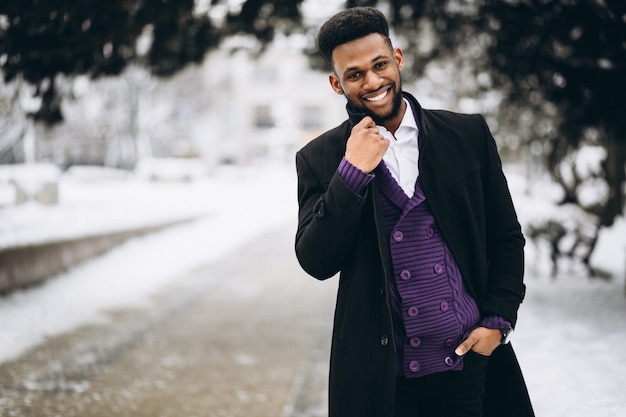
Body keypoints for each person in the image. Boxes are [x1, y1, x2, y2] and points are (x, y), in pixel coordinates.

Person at [294, 6, 534, 417]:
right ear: (336, 83)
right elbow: (316, 260)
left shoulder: (467, 134)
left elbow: (506, 237)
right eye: (355, 74)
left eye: (380, 65)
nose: (372, 81)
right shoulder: (320, 158)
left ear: (398, 59)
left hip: (469, 369)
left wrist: (498, 319)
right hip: (383, 381)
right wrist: (351, 172)